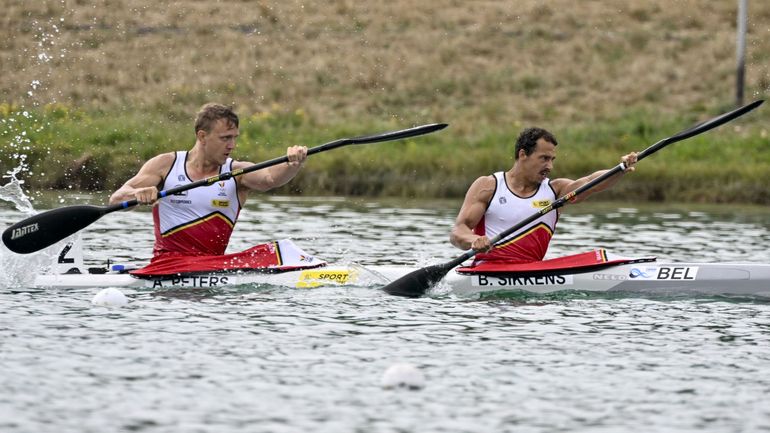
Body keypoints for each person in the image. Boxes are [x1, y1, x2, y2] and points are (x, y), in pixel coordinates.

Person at [109, 103, 311, 275]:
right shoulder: (165, 165)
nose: (232, 145)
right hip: (167, 267)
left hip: (213, 267)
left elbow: (270, 179)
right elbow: (116, 199)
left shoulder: (236, 172)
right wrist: (136, 194)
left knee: (281, 250)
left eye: (234, 138)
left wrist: (292, 164)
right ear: (202, 136)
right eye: (225, 138)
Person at [450, 127, 637, 265]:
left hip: (532, 275)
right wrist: (474, 240)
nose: (550, 166)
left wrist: (619, 169)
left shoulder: (556, 191)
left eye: (552, 160)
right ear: (523, 154)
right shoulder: (488, 186)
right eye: (544, 159)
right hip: (486, 272)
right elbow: (459, 231)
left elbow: (589, 184)